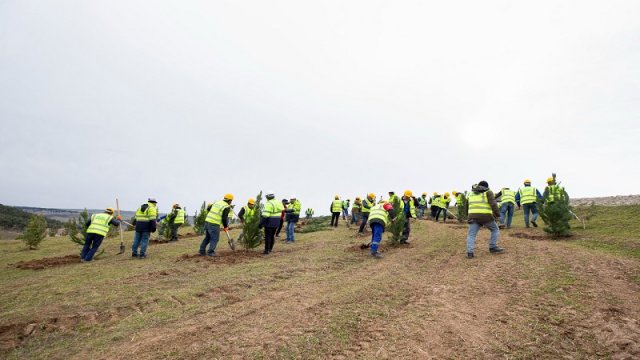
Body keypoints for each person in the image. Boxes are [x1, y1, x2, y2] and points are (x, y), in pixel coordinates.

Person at [465, 181, 504, 258]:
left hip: (473, 216)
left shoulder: (470, 193)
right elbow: (493, 204)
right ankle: (492, 247)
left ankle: (470, 253)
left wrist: (468, 215)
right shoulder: (488, 192)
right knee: (495, 230)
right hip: (486, 216)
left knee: (471, 235)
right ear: (487, 186)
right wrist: (497, 215)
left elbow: (466, 206)